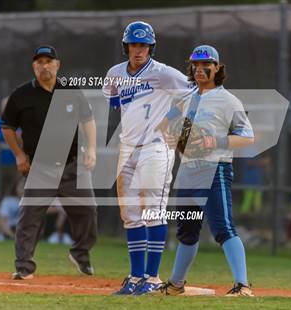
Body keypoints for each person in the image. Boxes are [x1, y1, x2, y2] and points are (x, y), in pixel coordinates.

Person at [103, 21, 195, 295]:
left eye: (143, 45)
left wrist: (172, 123)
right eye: (134, 44)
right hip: (127, 148)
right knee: (130, 214)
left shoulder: (164, 73)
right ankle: (135, 277)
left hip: (156, 147)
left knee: (152, 211)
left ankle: (152, 278)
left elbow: (191, 93)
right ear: (126, 47)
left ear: (151, 48)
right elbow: (114, 102)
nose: (138, 50)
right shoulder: (115, 74)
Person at [158, 45, 255, 296]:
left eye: (206, 65)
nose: (200, 69)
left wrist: (216, 141)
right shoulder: (185, 98)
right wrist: (171, 136)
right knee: (187, 232)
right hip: (188, 171)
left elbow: (247, 137)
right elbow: (164, 124)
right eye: (195, 65)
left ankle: (242, 285)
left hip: (215, 171)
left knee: (222, 228)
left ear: (217, 68)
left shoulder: (228, 100)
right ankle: (176, 284)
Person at [1, 45, 98, 280]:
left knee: (88, 211)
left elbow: (88, 120)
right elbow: (7, 127)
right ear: (34, 66)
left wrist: (92, 149)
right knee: (29, 217)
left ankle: (80, 253)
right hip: (39, 167)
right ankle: (24, 267)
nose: (44, 65)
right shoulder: (21, 94)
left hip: (72, 165)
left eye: (48, 61)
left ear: (57, 65)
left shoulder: (72, 91)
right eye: (39, 61)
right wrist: (19, 155)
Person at [0, 97, 19, 204]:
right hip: (0, 165)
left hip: (15, 165)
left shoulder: (18, 123)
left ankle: (12, 219)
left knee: (14, 193)